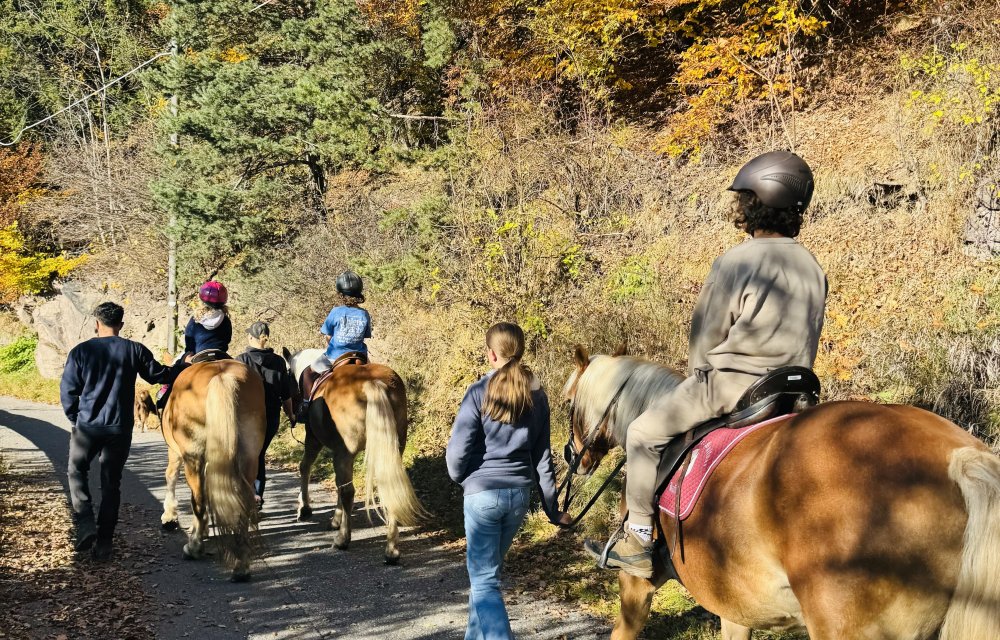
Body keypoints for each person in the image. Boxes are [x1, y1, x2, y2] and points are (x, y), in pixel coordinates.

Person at [593, 151, 828, 578]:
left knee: (643, 434)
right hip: (795, 388)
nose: (740, 206)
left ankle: (639, 538)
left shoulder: (736, 261)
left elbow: (705, 340)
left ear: (757, 202)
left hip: (733, 386)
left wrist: (697, 374)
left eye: (745, 198)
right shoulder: (812, 264)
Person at [447, 322, 572, 640]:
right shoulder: (537, 396)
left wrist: (463, 479)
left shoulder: (478, 392)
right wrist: (551, 508)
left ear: (491, 354)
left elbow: (457, 453)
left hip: (482, 495)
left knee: (484, 581)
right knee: (487, 577)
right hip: (518, 496)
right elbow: (542, 457)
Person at [60, 302, 180, 560]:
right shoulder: (134, 349)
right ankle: (104, 542)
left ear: (96, 324)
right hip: (119, 428)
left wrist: (75, 418)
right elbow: (158, 375)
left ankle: (85, 523)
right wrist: (184, 366)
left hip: (87, 426)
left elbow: (68, 391)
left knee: (76, 471)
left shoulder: (81, 351)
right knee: (111, 483)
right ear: (121, 324)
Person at [235, 321, 296, 508]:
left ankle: (247, 493)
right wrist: (291, 415)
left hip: (246, 417)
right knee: (259, 454)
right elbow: (286, 394)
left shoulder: (241, 360)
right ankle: (257, 495)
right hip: (270, 416)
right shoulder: (278, 361)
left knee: (245, 454)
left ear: (250, 337)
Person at [297, 270, 371, 420]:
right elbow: (365, 336)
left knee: (307, 373)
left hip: (335, 356)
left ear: (341, 294)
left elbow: (328, 335)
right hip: (359, 357)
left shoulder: (336, 312)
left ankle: (305, 405)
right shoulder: (364, 314)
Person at [183, 280, 233, 360]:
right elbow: (227, 339)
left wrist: (188, 354)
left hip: (198, 355)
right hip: (220, 355)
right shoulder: (225, 320)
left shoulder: (195, 319)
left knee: (177, 366)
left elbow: (189, 341)